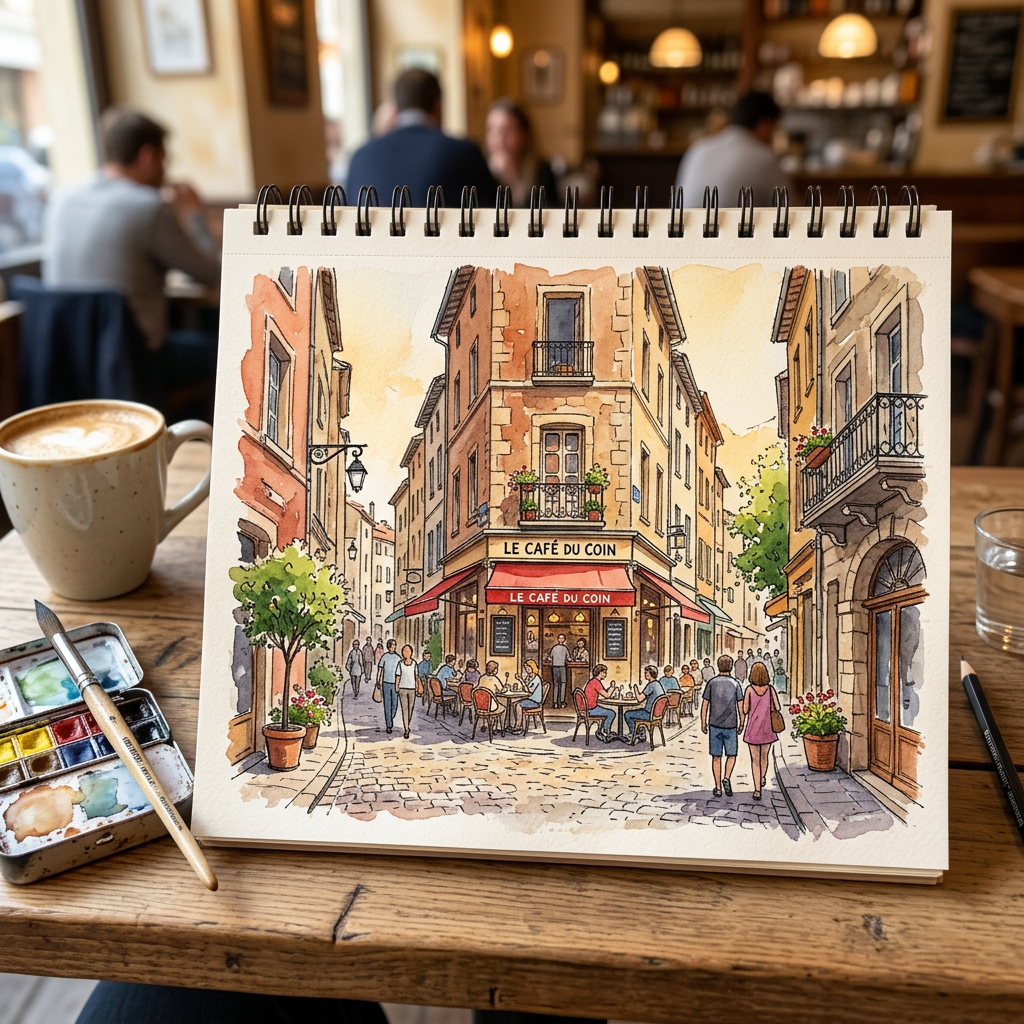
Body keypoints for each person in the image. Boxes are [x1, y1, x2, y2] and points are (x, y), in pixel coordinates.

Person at [43, 107, 221, 411]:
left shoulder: (61, 199)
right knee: (227, 351)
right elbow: (212, 271)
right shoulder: (148, 208)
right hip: (134, 364)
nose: (166, 170)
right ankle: (201, 445)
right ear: (148, 156)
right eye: (165, 160)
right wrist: (195, 215)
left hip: (68, 362)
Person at [346, 68, 497, 208]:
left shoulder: (360, 156)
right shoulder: (464, 152)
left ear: (395, 107)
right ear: (438, 105)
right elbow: (495, 216)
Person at [675, 90, 789, 209]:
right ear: (764, 125)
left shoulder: (698, 148)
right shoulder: (764, 157)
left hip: (685, 226)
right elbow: (791, 210)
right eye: (775, 128)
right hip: (732, 227)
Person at [485, 97, 557, 208]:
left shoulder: (542, 172)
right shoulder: (481, 172)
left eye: (506, 130)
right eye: (491, 130)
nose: (499, 138)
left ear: (525, 134)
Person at [701, 654, 745, 798]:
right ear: (731, 667)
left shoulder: (712, 683)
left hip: (714, 724)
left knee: (716, 757)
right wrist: (742, 722)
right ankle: (726, 777)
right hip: (731, 725)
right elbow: (741, 706)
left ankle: (718, 787)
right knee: (731, 755)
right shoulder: (736, 684)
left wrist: (703, 721)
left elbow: (705, 704)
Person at [741, 661, 781, 800]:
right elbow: (778, 707)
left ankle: (757, 789)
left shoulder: (749, 690)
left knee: (754, 760)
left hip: (753, 728)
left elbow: (745, 710)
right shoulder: (770, 689)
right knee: (764, 756)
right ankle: (763, 776)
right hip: (767, 728)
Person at [624, 666, 665, 745]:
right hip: (657, 715)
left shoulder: (651, 685)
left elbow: (639, 699)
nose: (645, 674)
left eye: (646, 673)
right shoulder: (657, 684)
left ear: (651, 674)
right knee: (636, 711)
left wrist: (635, 688)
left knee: (627, 714)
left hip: (649, 714)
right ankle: (639, 733)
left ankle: (634, 735)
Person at [582, 664, 617, 742]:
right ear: (600, 673)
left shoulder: (593, 681)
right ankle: (606, 731)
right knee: (611, 713)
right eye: (604, 673)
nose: (605, 675)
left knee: (608, 712)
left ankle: (601, 731)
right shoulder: (596, 682)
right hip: (591, 709)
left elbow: (601, 693)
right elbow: (607, 695)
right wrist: (612, 687)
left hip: (589, 707)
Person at [376, 639, 401, 734]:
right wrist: (378, 680)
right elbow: (380, 669)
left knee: (394, 704)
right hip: (386, 683)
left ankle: (390, 717)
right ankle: (389, 725)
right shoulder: (385, 657)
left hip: (395, 683)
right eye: (392, 645)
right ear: (388, 646)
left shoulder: (398, 658)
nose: (394, 647)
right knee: (387, 704)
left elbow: (401, 672)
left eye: (395, 645)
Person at [515, 659, 544, 731]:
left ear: (533, 667)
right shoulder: (528, 677)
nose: (527, 669)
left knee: (518, 705)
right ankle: (518, 724)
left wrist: (521, 680)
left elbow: (529, 691)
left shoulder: (536, 678)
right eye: (525, 667)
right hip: (529, 699)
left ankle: (518, 726)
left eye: (528, 667)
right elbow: (525, 688)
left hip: (535, 701)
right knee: (514, 703)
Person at [396, 644, 418, 739]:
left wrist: (418, 687)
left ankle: (407, 724)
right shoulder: (400, 664)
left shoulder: (414, 664)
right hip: (402, 689)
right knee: (405, 709)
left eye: (408, 651)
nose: (406, 653)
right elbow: (398, 676)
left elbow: (416, 677)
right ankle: (406, 729)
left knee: (410, 709)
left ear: (411, 653)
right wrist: (397, 686)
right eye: (404, 651)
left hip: (412, 689)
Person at [547, 633, 571, 708]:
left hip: (560, 667)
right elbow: (569, 658)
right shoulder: (555, 648)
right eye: (560, 638)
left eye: (562, 638)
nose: (561, 639)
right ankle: (557, 702)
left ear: (564, 640)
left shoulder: (564, 648)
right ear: (558, 639)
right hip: (558, 667)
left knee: (560, 684)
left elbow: (550, 658)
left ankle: (560, 702)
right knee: (559, 684)